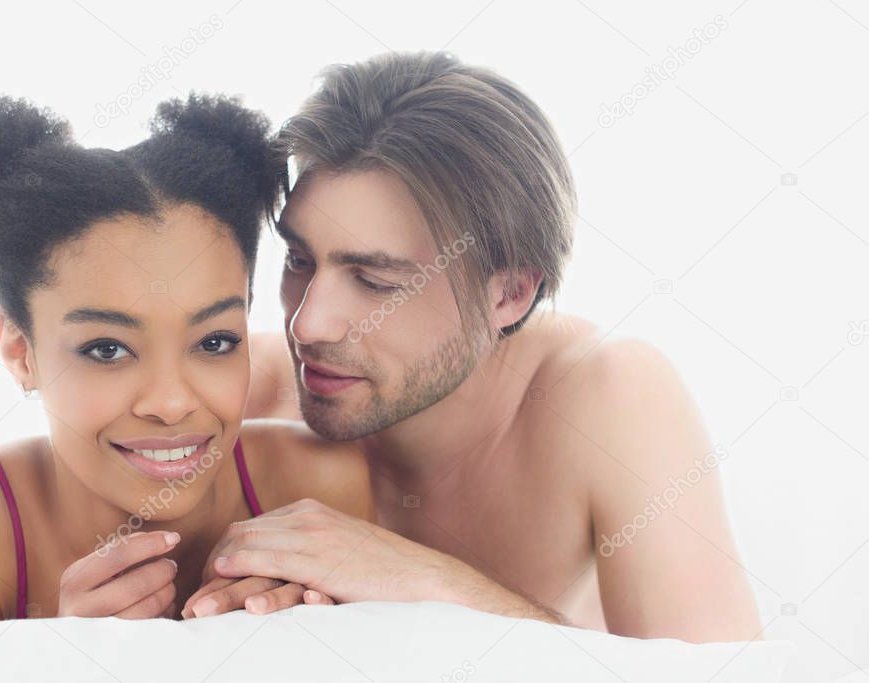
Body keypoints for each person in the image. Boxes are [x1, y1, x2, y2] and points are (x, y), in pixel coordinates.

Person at [197, 51, 762, 642]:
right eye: (299, 260)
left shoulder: (608, 397)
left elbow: (721, 675)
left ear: (511, 294)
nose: (307, 325)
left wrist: (436, 585)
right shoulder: (235, 389)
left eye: (375, 282)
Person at [0, 93, 371, 637]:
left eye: (215, 342)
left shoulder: (320, 485)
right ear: (19, 351)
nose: (172, 402)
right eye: (107, 349)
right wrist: (57, 653)